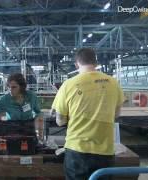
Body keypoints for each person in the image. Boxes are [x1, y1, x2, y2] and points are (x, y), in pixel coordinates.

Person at [51, 48, 124, 180]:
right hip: (105, 151)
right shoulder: (113, 83)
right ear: (96, 63)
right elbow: (116, 114)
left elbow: (60, 121)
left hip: (77, 150)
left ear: (76, 64)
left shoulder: (68, 85)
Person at [0, 73, 43, 138]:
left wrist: (40, 134)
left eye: (14, 87)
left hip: (29, 130)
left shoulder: (31, 96)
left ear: (22, 87)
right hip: (12, 131)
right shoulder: (4, 100)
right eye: (9, 87)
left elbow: (38, 113)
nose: (11, 90)